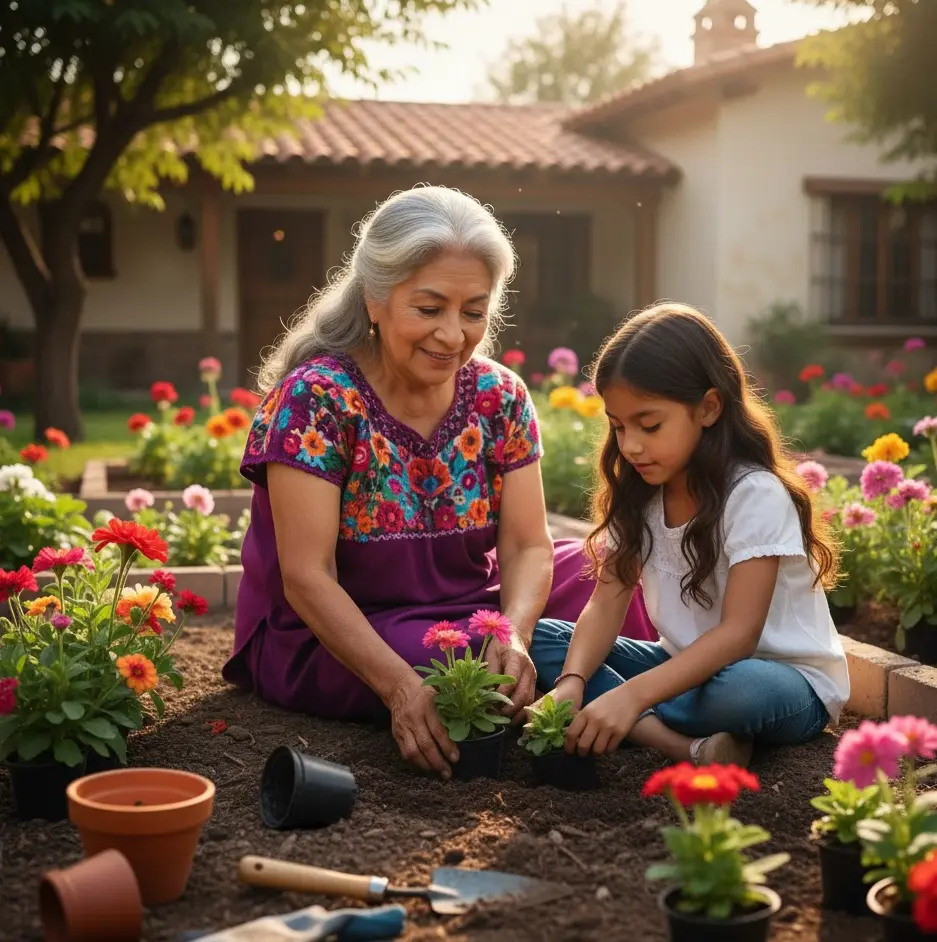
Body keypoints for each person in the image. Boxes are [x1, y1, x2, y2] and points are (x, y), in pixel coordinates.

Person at [222, 185, 656, 780]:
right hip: (339, 633)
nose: (453, 335)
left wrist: (515, 632)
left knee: (612, 574)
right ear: (375, 299)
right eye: (429, 310)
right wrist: (399, 689)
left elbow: (528, 545)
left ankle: (603, 673)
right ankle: (638, 696)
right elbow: (307, 577)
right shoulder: (317, 398)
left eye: (473, 312)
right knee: (459, 663)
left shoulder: (500, 396)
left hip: (476, 607)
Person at [527, 303, 850, 768]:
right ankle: (685, 747)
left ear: (709, 408)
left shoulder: (754, 494)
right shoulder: (638, 493)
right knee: (545, 641)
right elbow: (605, 603)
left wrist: (630, 696)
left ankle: (629, 715)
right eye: (618, 426)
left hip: (783, 683)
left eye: (649, 424)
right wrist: (572, 683)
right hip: (679, 670)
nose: (631, 445)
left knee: (742, 690)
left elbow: (739, 635)